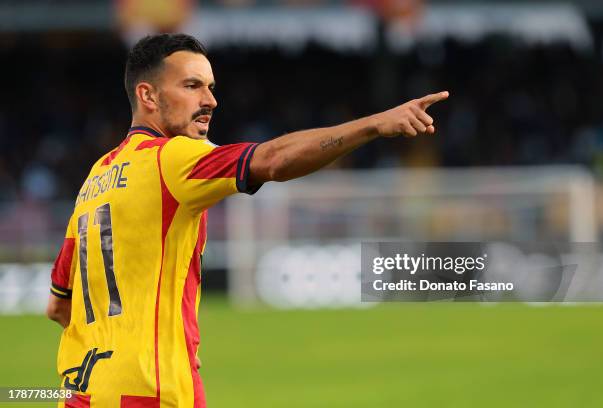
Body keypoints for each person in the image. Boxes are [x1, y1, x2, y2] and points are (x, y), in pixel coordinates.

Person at [46, 33, 449, 407]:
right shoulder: (171, 158)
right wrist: (374, 124)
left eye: (211, 87)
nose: (210, 100)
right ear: (147, 95)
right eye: (192, 86)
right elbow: (272, 160)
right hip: (150, 389)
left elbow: (58, 306)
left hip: (81, 390)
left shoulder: (96, 178)